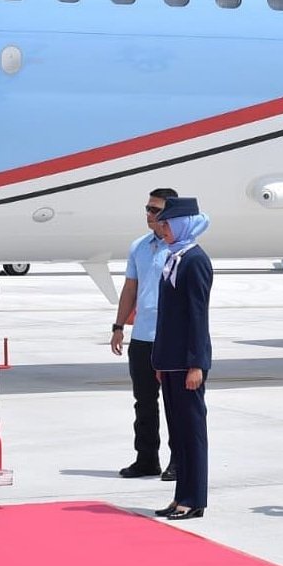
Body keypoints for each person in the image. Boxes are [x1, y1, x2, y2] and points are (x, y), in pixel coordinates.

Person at [151, 197, 213, 521]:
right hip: (171, 361)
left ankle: (194, 497)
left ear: (183, 223)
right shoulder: (173, 258)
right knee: (178, 433)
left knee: (192, 432)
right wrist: (159, 360)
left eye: (167, 223)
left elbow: (197, 316)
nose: (163, 228)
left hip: (188, 363)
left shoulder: (195, 261)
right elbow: (166, 316)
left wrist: (197, 364)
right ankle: (180, 496)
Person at [111, 187, 179, 479]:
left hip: (171, 337)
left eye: (155, 210)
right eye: (147, 209)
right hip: (142, 338)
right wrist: (118, 326)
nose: (149, 214)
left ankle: (179, 459)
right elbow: (130, 289)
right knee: (144, 403)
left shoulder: (180, 248)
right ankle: (147, 458)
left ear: (171, 213)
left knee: (175, 404)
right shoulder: (139, 246)